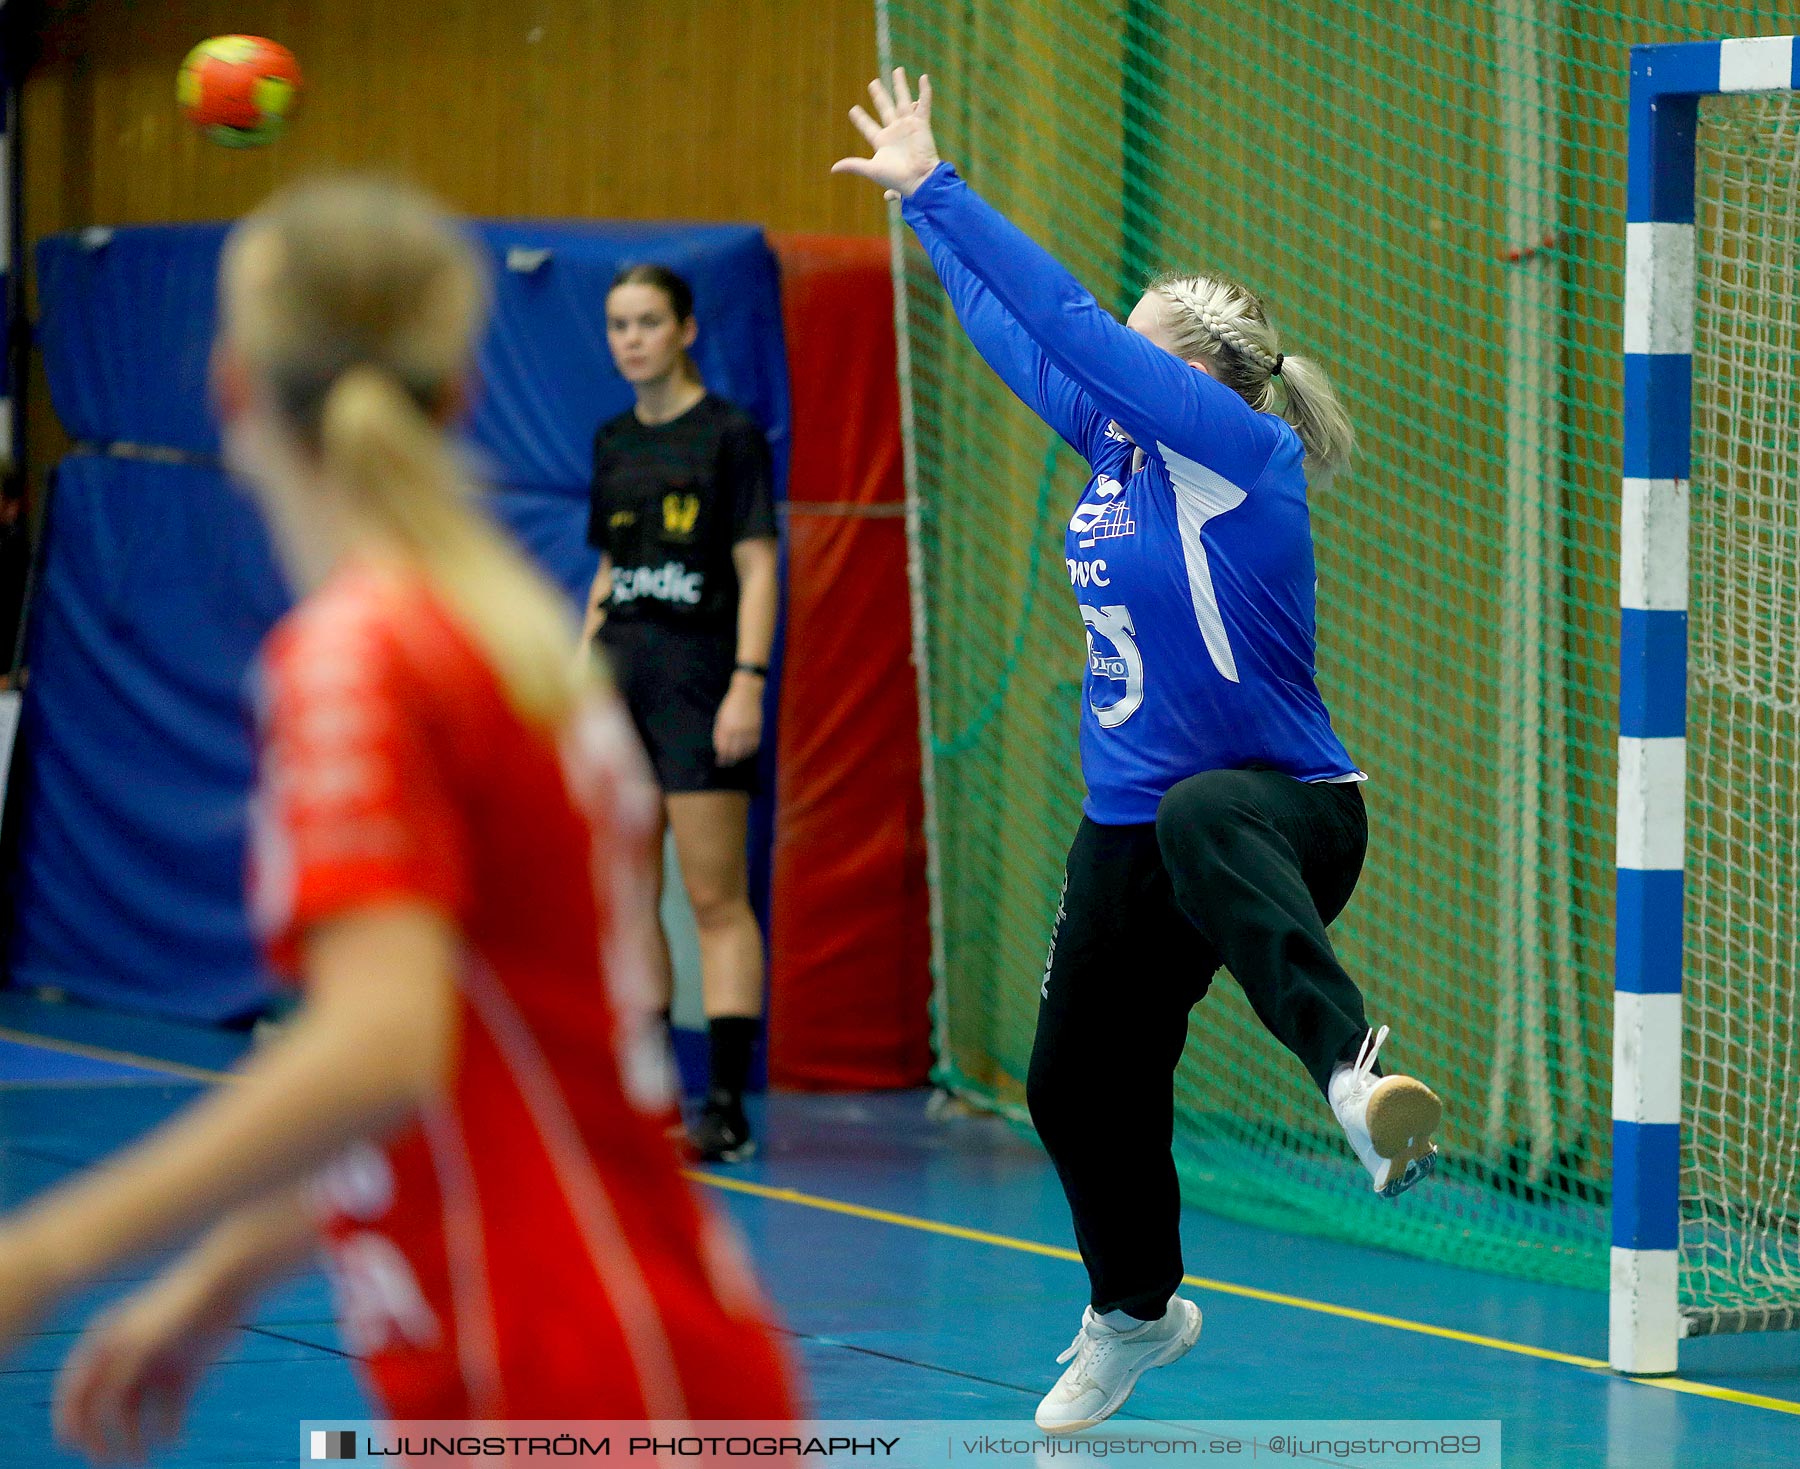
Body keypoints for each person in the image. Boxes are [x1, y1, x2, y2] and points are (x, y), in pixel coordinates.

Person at [0, 177, 799, 1462]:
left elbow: (383, 1044)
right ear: (463, 394)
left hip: (566, 1367)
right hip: (596, 1347)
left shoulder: (366, 656)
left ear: (230, 388)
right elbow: (449, 1066)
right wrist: (217, 1281)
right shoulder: (507, 639)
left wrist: (46, 1250)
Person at [834, 72, 1443, 1432]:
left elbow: (1060, 318)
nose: (1113, 352)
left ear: (1205, 374)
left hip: (1280, 814)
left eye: (1140, 341)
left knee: (1198, 815)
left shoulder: (1241, 451)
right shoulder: (1117, 447)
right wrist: (923, 216)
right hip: (1135, 830)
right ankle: (1135, 1311)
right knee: (1072, 1080)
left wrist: (945, 184)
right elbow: (1015, 329)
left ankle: (1351, 1074)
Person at [580, 265, 780, 1163]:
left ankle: (726, 1104)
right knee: (628, 896)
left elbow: (758, 568)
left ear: (685, 330)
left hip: (701, 688)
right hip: (621, 682)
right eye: (619, 323)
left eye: (648, 322)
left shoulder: (730, 436)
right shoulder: (613, 441)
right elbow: (610, 574)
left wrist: (747, 679)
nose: (632, 338)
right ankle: (651, 1091)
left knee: (712, 892)